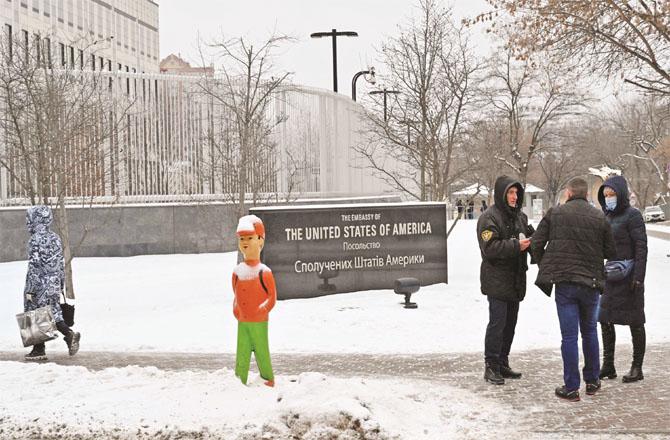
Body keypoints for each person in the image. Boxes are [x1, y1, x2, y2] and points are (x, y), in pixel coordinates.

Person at [531, 178, 616, 401]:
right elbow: (610, 250)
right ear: (586, 194)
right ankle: (593, 381)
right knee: (589, 331)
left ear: (568, 193)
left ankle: (571, 387)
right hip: (591, 283)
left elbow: (536, 243)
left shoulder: (555, 213)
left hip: (566, 284)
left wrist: (547, 265)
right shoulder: (599, 217)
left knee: (569, 336)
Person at [477, 175, 533, 385]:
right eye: (510, 193)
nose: (514, 196)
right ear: (502, 194)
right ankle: (491, 365)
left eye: (516, 193)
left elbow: (530, 235)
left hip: (516, 280)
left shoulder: (520, 217)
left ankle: (502, 361)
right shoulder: (489, 218)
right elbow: (489, 248)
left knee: (510, 324)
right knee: (497, 324)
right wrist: (516, 246)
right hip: (497, 280)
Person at [597, 175, 648, 383]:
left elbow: (641, 247)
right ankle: (608, 364)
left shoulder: (633, 215)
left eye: (612, 194)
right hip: (611, 275)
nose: (609, 198)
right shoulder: (606, 216)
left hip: (630, 277)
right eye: (606, 194)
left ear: (621, 194)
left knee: (635, 321)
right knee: (605, 319)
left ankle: (637, 367)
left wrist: (639, 277)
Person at [23, 205, 81, 361]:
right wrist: (59, 284)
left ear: (35, 219)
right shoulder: (55, 238)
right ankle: (67, 336)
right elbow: (61, 263)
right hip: (54, 283)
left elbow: (34, 266)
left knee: (35, 313)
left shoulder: (35, 239)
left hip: (39, 283)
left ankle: (40, 348)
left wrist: (30, 289)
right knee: (53, 312)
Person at [232, 214, 277, 387]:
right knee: (242, 351)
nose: (245, 242)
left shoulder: (264, 272)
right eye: (242, 238)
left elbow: (272, 297)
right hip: (243, 320)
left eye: (249, 238)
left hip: (259, 320)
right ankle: (239, 378)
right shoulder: (237, 272)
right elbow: (236, 292)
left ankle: (268, 377)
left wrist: (263, 309)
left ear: (260, 241)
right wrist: (235, 308)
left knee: (261, 350)